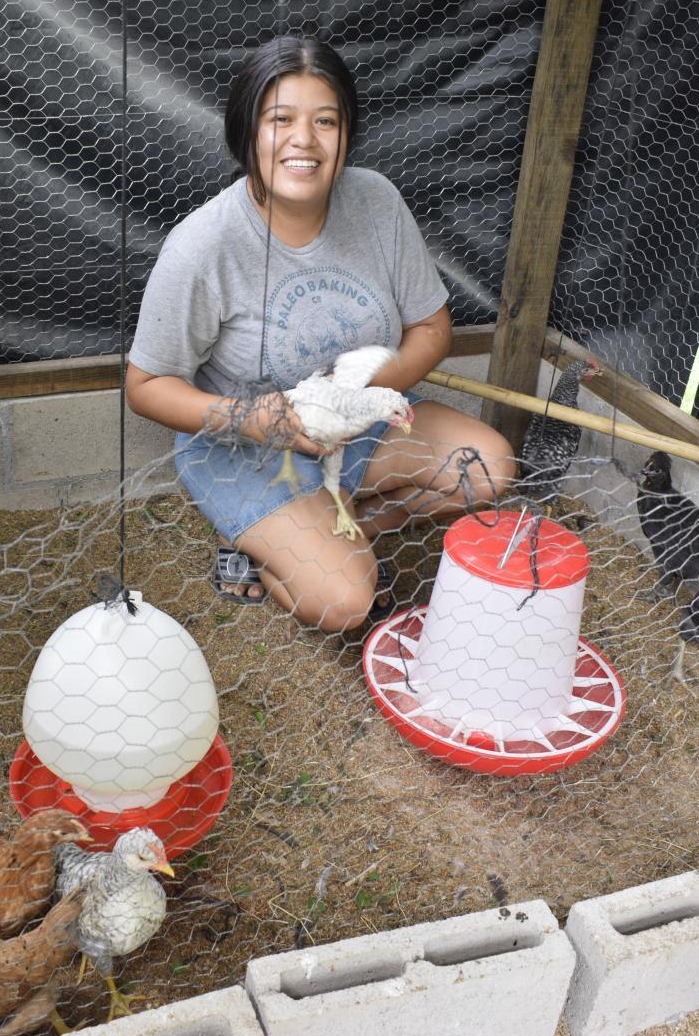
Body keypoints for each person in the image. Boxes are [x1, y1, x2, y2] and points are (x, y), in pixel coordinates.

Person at [126, 36, 514, 632]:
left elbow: (432, 328)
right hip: (248, 448)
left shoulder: (376, 202)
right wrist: (256, 419)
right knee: (346, 603)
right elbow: (146, 384)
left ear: (347, 133)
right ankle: (265, 545)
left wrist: (356, 399)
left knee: (489, 466)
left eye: (325, 121)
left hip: (355, 430)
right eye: (280, 119)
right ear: (246, 132)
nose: (304, 140)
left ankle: (339, 523)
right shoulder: (205, 245)